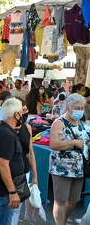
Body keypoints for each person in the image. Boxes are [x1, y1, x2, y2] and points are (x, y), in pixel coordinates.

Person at [49, 93, 89, 225]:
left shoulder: (81, 124)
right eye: (77, 107)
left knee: (73, 200)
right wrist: (74, 143)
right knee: (60, 200)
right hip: (62, 168)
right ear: (68, 107)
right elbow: (54, 144)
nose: (80, 110)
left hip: (79, 168)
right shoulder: (59, 123)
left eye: (82, 108)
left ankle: (63, 221)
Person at [0, 97, 25, 224]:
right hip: (4, 191)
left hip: (2, 189)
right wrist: (12, 191)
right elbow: (3, 165)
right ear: (16, 114)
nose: (22, 115)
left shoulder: (2, 131)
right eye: (21, 112)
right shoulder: (6, 135)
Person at [11, 98, 38, 225]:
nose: (25, 113)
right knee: (3, 205)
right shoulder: (3, 128)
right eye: (23, 110)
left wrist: (35, 176)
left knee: (18, 206)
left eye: (26, 110)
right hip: (7, 172)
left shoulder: (27, 128)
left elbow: (30, 153)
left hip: (23, 172)